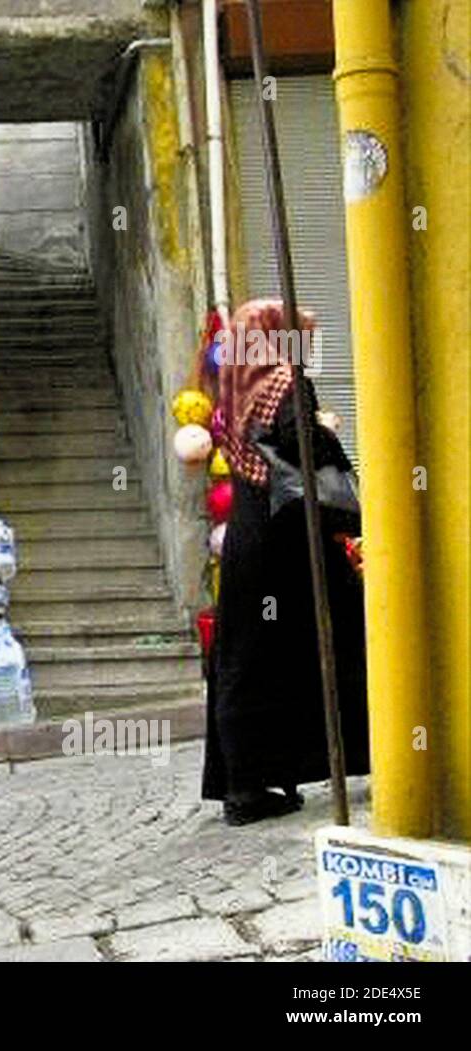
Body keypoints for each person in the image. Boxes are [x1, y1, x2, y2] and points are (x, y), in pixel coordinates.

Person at [201, 299, 370, 826]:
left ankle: (245, 785)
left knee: (247, 658)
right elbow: (304, 450)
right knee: (328, 642)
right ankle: (346, 754)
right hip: (287, 536)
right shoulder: (284, 381)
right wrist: (327, 428)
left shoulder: (233, 380)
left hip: (249, 532)